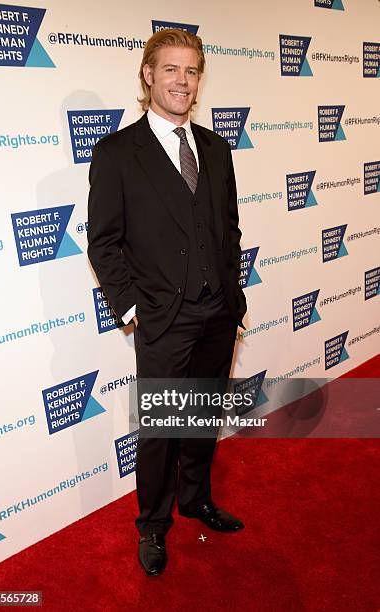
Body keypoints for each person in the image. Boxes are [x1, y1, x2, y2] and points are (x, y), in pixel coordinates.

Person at [87, 28, 247, 576]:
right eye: (171, 70)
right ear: (148, 76)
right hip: (163, 319)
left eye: (192, 71)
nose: (182, 81)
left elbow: (228, 227)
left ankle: (195, 498)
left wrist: (235, 293)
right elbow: (103, 241)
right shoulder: (116, 152)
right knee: (159, 431)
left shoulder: (218, 147)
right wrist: (132, 309)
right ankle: (153, 525)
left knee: (202, 417)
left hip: (219, 313)